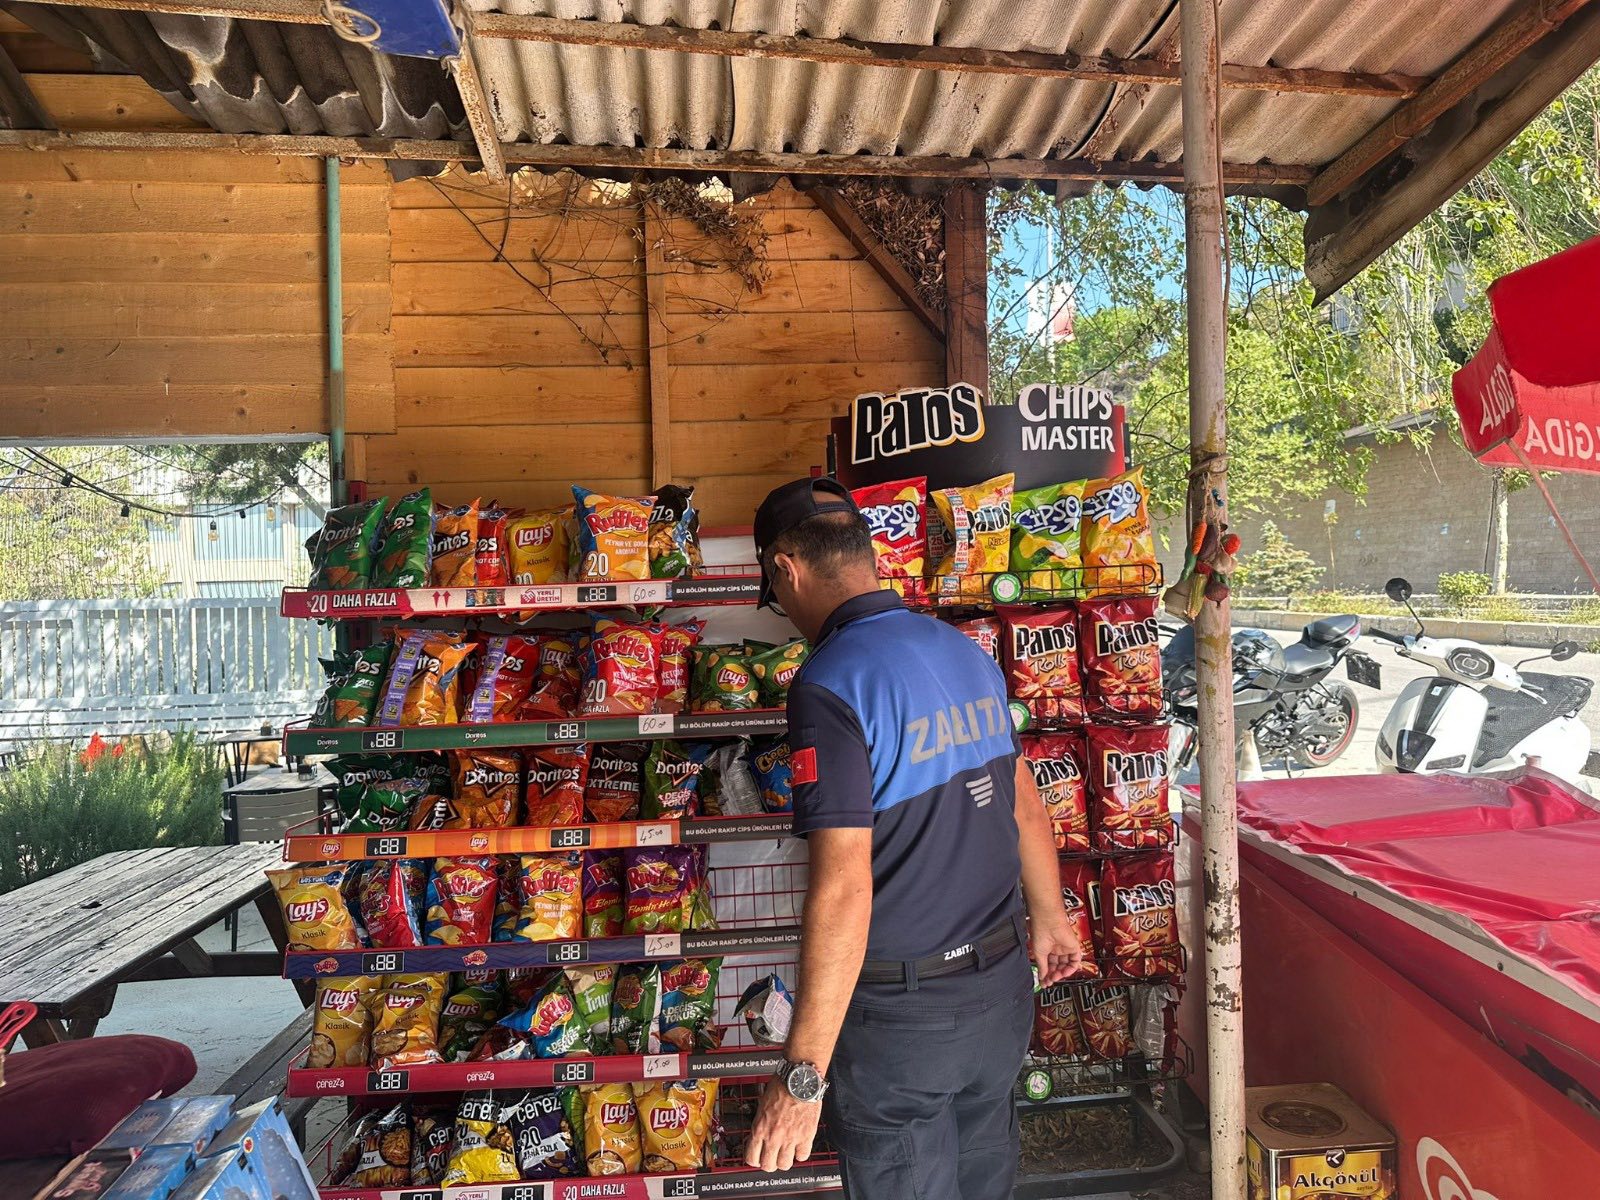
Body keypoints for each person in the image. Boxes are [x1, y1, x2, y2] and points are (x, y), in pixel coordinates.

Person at [743, 477, 1084, 1200]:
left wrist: (803, 1075)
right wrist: (1052, 919)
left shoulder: (829, 683)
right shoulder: (962, 651)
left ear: (786, 569)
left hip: (905, 1024)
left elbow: (845, 884)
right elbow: (1024, 803)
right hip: (1000, 997)